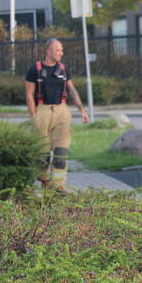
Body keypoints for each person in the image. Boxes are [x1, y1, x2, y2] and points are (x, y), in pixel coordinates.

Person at [24, 39, 89, 190]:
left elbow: (72, 90)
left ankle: (59, 187)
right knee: (43, 154)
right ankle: (44, 179)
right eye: (58, 50)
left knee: (61, 153)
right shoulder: (35, 70)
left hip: (61, 111)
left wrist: (82, 110)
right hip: (42, 111)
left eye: (61, 50)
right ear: (48, 51)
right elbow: (29, 95)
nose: (61, 53)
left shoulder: (64, 69)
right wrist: (33, 116)